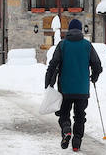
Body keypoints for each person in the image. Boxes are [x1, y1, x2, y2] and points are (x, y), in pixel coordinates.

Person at [44, 18, 102, 151]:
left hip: (65, 88)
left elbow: (53, 65)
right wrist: (94, 77)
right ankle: (76, 142)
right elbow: (97, 65)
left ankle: (66, 130)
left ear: (69, 30)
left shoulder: (63, 45)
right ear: (80, 30)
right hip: (82, 89)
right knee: (80, 116)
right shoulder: (87, 45)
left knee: (64, 113)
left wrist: (48, 84)